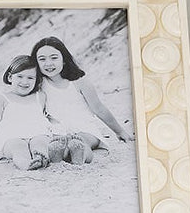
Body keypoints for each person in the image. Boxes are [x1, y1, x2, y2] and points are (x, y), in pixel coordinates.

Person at [30, 36, 134, 165]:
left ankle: (78, 153)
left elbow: (99, 109)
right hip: (57, 132)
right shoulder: (39, 85)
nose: (48, 63)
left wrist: (119, 131)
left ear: (64, 59)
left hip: (85, 128)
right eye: (42, 59)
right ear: (36, 63)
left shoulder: (79, 82)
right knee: (57, 144)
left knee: (82, 142)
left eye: (54, 58)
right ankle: (60, 153)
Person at [0, 55, 57, 170]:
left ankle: (41, 157)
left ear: (37, 80)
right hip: (11, 136)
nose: (25, 82)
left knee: (41, 142)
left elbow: (46, 117)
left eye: (30, 78)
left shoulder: (40, 96)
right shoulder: (2, 98)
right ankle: (26, 164)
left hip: (37, 132)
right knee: (17, 147)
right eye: (20, 76)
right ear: (10, 77)